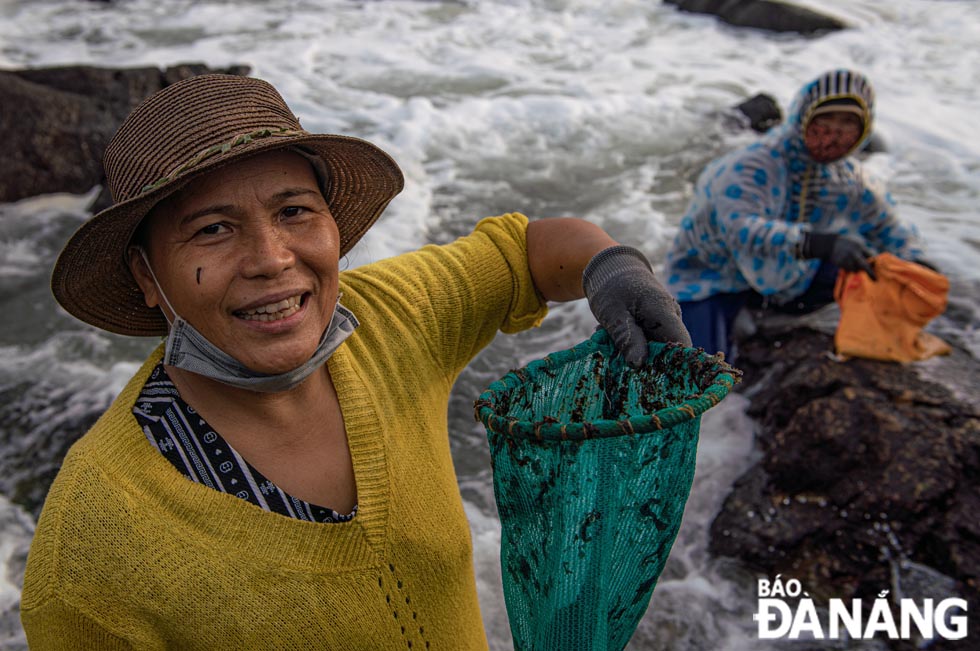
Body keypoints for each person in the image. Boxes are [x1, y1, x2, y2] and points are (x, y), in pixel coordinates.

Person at [20, 74, 690, 649]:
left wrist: (612, 266)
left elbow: (526, 252)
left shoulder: (392, 321)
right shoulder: (92, 544)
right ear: (144, 273)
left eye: (294, 211)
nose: (272, 258)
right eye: (213, 229)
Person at [665, 69, 931, 359]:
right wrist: (817, 244)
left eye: (847, 124)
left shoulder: (848, 177)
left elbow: (885, 225)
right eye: (825, 121)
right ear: (803, 118)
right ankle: (729, 319)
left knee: (866, 264)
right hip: (712, 277)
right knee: (702, 371)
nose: (834, 134)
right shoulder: (753, 164)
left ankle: (761, 317)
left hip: (780, 277)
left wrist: (915, 261)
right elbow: (740, 228)